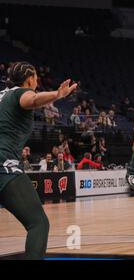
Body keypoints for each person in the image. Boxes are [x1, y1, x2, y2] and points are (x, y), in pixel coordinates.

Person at [0, 61, 77, 259]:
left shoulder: (2, 95)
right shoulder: (20, 93)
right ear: (29, 79)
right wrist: (57, 95)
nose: (37, 80)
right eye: (35, 77)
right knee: (38, 223)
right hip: (4, 166)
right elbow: (32, 100)